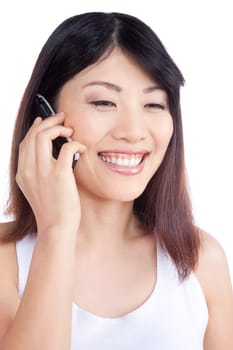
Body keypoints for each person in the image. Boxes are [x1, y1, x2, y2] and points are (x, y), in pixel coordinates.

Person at [0, 11, 232, 350]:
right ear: (46, 115)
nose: (134, 132)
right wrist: (57, 230)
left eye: (154, 104)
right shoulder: (6, 260)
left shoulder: (199, 260)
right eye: (104, 102)